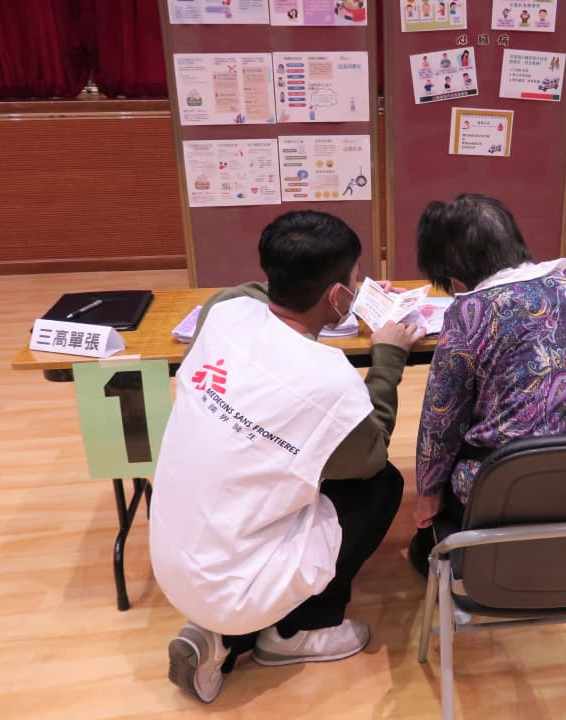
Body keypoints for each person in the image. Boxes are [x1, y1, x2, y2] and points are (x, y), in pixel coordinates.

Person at [150, 211, 425, 703]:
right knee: (380, 485)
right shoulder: (328, 380)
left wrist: (316, 278)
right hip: (232, 581)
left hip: (173, 556)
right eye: (356, 280)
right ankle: (294, 634)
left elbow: (256, 293)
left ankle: (221, 635)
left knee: (298, 467)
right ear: (337, 296)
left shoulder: (225, 310)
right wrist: (387, 356)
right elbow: (369, 452)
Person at [408, 195, 566, 575]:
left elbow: (440, 420)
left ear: (454, 278)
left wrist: (426, 493)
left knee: (421, 548)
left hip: (508, 487)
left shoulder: (470, 311)